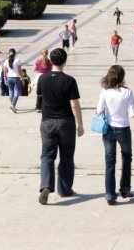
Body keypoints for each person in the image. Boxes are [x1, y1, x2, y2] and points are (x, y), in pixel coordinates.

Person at [95, 65, 134, 205]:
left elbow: (99, 110)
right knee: (126, 158)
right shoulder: (127, 92)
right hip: (124, 130)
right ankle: (125, 189)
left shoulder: (105, 91)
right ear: (122, 77)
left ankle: (110, 194)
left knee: (110, 162)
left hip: (108, 129)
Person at [37, 48, 84, 205]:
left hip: (47, 122)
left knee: (47, 156)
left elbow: (40, 99)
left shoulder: (42, 79)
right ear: (65, 61)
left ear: (51, 60)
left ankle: (45, 186)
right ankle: (64, 189)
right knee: (66, 156)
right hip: (65, 123)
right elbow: (74, 104)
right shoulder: (69, 80)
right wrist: (80, 124)